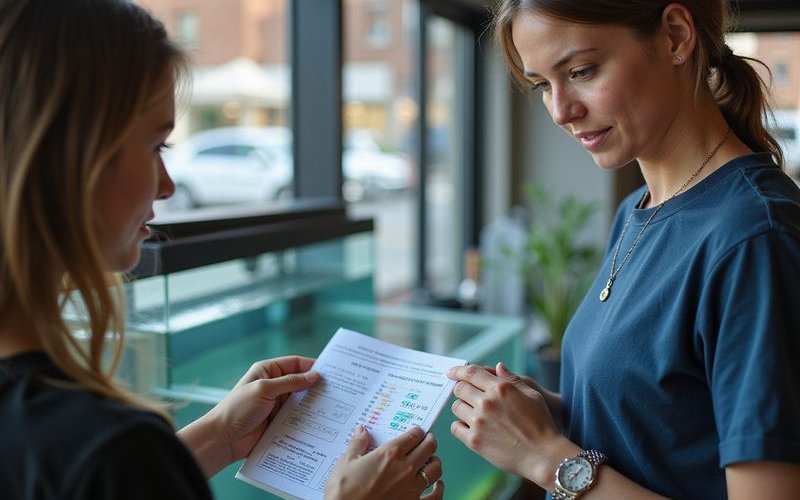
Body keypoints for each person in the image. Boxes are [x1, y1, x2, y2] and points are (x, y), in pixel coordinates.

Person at [0, 1, 444, 499]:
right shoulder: (108, 446)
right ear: (69, 159)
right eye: (156, 147)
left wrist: (220, 436)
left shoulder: (91, 445)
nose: (166, 186)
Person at [446, 1, 800, 499]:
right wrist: (541, 413)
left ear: (675, 36)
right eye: (542, 85)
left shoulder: (753, 239)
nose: (561, 111)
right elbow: (667, 428)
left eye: (581, 71)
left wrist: (544, 457)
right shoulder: (639, 210)